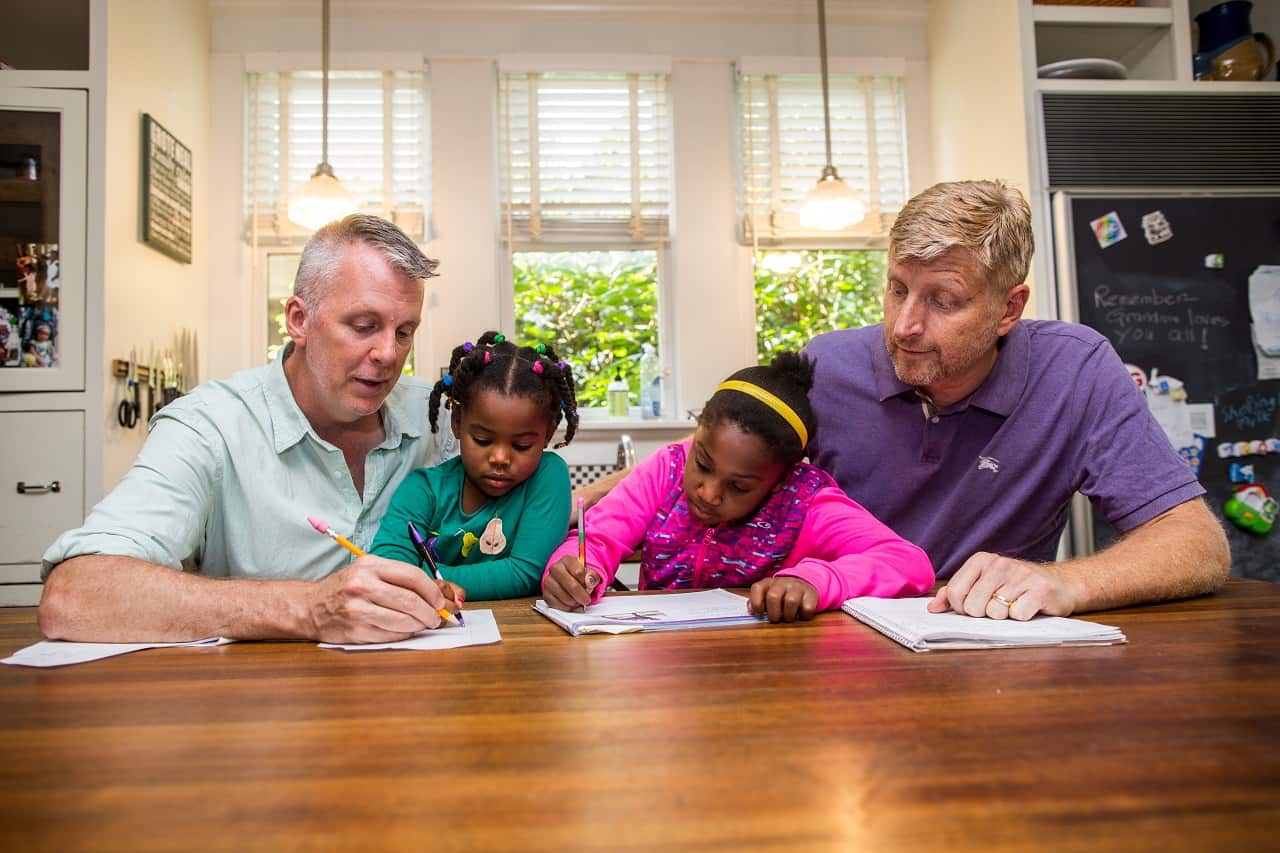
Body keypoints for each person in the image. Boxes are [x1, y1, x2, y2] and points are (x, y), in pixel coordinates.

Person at [803, 179, 1229, 621]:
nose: (904, 326)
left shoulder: (1075, 369)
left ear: (1009, 309)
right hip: (839, 637)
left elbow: (1196, 544)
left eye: (943, 300)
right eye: (897, 290)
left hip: (990, 645)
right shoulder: (823, 367)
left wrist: (1067, 582)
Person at [38, 214, 461, 644]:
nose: (389, 354)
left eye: (404, 332)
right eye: (364, 326)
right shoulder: (209, 426)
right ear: (298, 320)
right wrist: (311, 609)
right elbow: (74, 596)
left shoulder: (439, 417)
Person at [543, 353, 934, 622]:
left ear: (780, 478)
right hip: (660, 669)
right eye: (703, 464)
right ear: (696, 437)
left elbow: (908, 562)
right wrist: (580, 568)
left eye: (739, 487)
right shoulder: (667, 468)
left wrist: (814, 580)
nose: (709, 493)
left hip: (767, 672)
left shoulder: (807, 501)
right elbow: (597, 539)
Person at [369, 331, 578, 599]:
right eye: (482, 440)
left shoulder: (547, 476)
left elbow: (525, 572)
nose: (500, 458)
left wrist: (427, 580)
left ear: (548, 434)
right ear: (456, 422)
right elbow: (387, 567)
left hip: (521, 636)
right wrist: (416, 580)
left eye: (522, 446)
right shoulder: (422, 490)